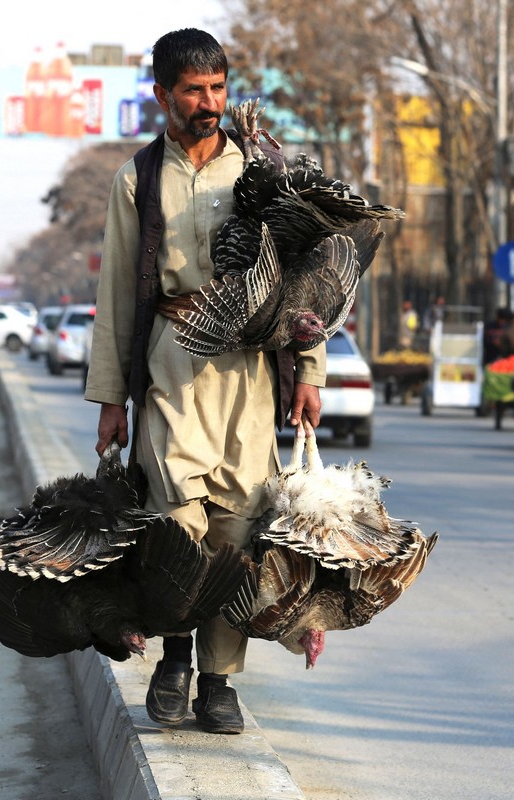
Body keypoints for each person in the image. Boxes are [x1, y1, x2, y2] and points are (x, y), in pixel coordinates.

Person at [83, 28, 324, 736]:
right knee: (176, 523)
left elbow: (307, 283)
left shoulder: (260, 168)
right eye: (193, 91)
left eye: (218, 89)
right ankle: (177, 655)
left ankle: (220, 683)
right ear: (161, 95)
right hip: (170, 368)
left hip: (246, 373)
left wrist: (308, 370)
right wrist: (108, 402)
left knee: (237, 530)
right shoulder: (138, 177)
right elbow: (117, 294)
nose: (208, 103)